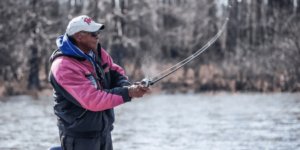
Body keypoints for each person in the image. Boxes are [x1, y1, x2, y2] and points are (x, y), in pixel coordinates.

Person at [49, 15, 150, 150]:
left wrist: (127, 86)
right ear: (79, 36)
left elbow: (115, 72)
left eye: (98, 33)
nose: (97, 37)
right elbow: (92, 99)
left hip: (104, 133)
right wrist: (128, 93)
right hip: (79, 139)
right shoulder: (63, 66)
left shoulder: (96, 52)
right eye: (93, 33)